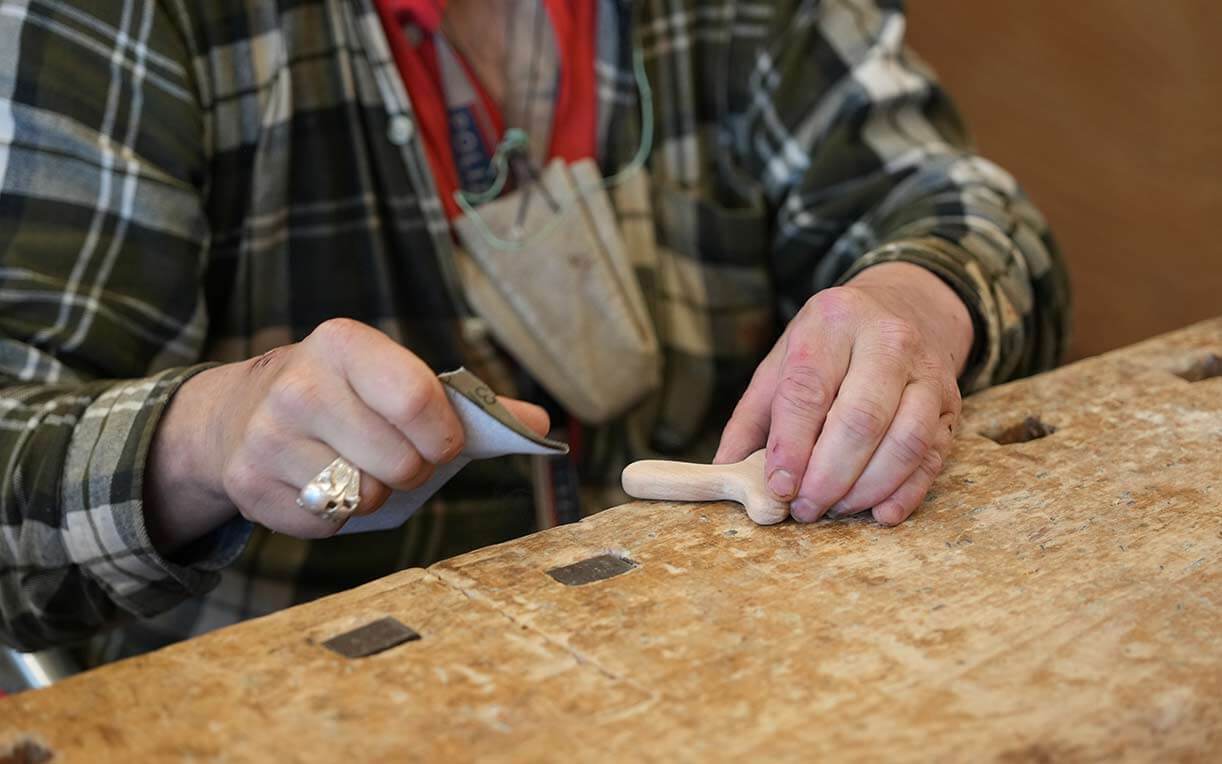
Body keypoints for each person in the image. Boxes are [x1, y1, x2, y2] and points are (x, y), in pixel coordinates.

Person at [0, 0, 1068, 661]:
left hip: (728, 661)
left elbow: (957, 201)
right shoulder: (128, 18)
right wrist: (206, 433)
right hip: (323, 699)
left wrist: (917, 303)